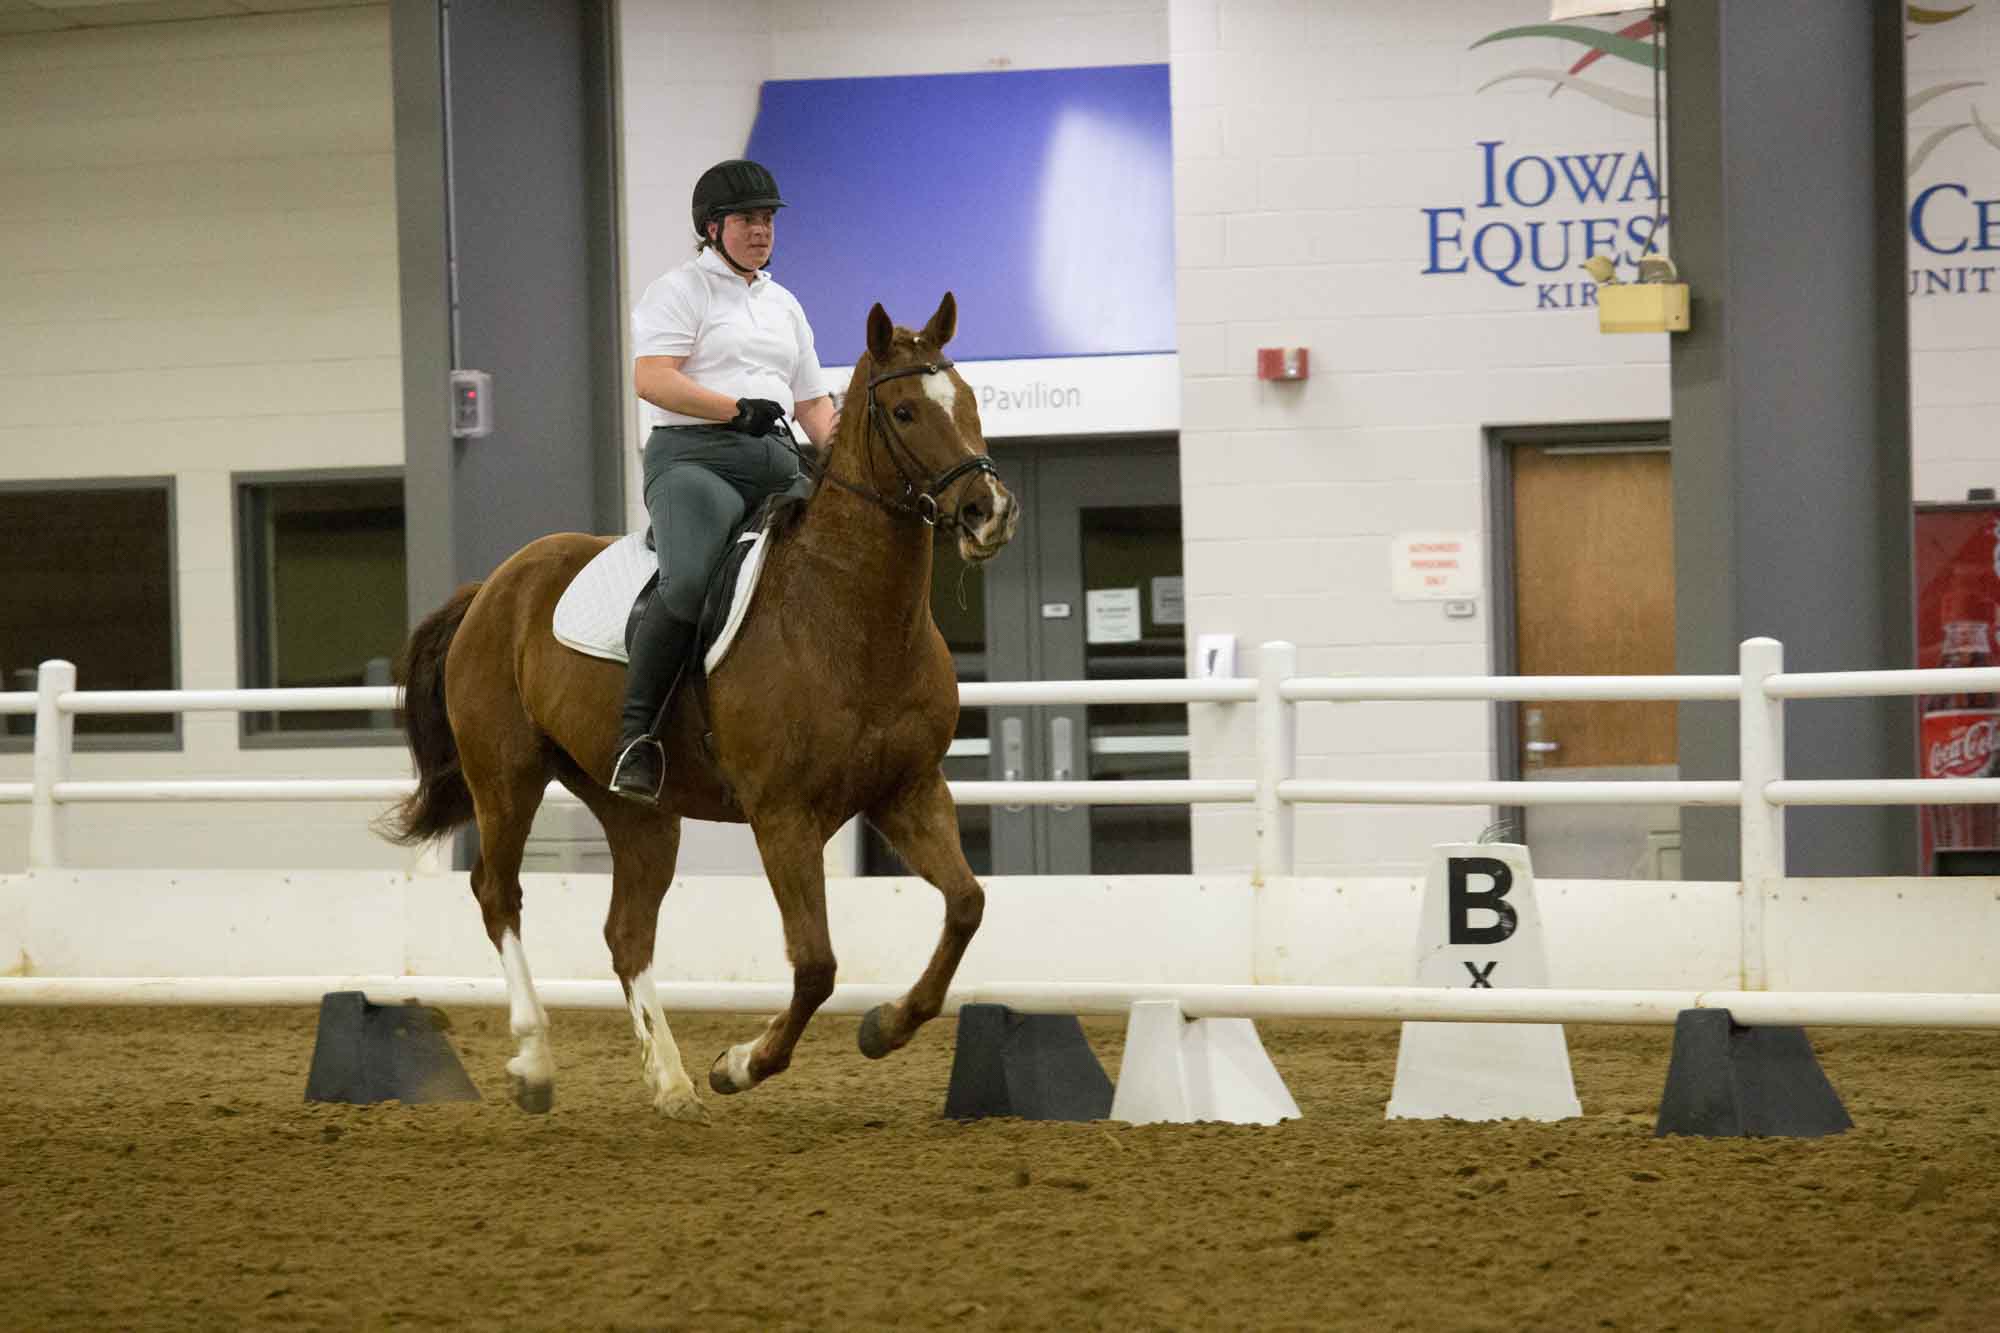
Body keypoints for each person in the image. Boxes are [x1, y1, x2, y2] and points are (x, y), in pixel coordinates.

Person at [610, 158, 838, 804]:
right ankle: (637, 736)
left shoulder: (784, 304)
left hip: (777, 460)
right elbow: (652, 377)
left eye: (767, 219)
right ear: (712, 228)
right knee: (689, 580)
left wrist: (847, 459)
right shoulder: (680, 291)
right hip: (696, 460)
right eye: (746, 220)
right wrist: (733, 409)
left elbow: (812, 403)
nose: (761, 230)